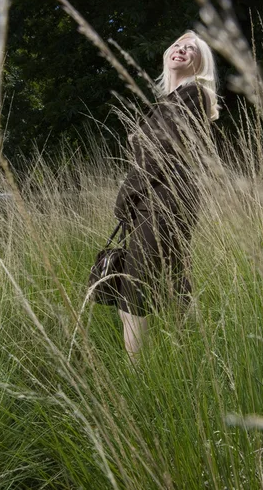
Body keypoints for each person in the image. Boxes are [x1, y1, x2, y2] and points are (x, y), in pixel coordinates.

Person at [114, 30, 219, 361]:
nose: (182, 50)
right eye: (178, 44)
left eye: (192, 49)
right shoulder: (168, 101)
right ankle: (196, 357)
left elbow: (162, 149)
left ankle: (135, 371)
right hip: (158, 196)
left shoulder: (194, 93)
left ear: (200, 63)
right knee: (174, 280)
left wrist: (126, 194)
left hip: (167, 198)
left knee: (135, 281)